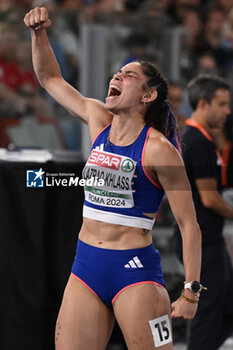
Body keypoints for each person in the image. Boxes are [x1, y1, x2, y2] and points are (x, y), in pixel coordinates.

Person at [24, 7, 202, 350]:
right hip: (86, 265)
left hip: (135, 272)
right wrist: (38, 34)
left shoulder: (160, 150)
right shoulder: (97, 119)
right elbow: (50, 80)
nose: (117, 78)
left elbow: (188, 224)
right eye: (117, 73)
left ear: (148, 96)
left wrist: (191, 291)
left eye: (129, 76)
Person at [173, 74, 233, 350]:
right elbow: (209, 199)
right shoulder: (199, 142)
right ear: (202, 103)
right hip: (202, 241)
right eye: (221, 104)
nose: (227, 111)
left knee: (227, 309)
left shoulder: (199, 139)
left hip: (209, 238)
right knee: (208, 314)